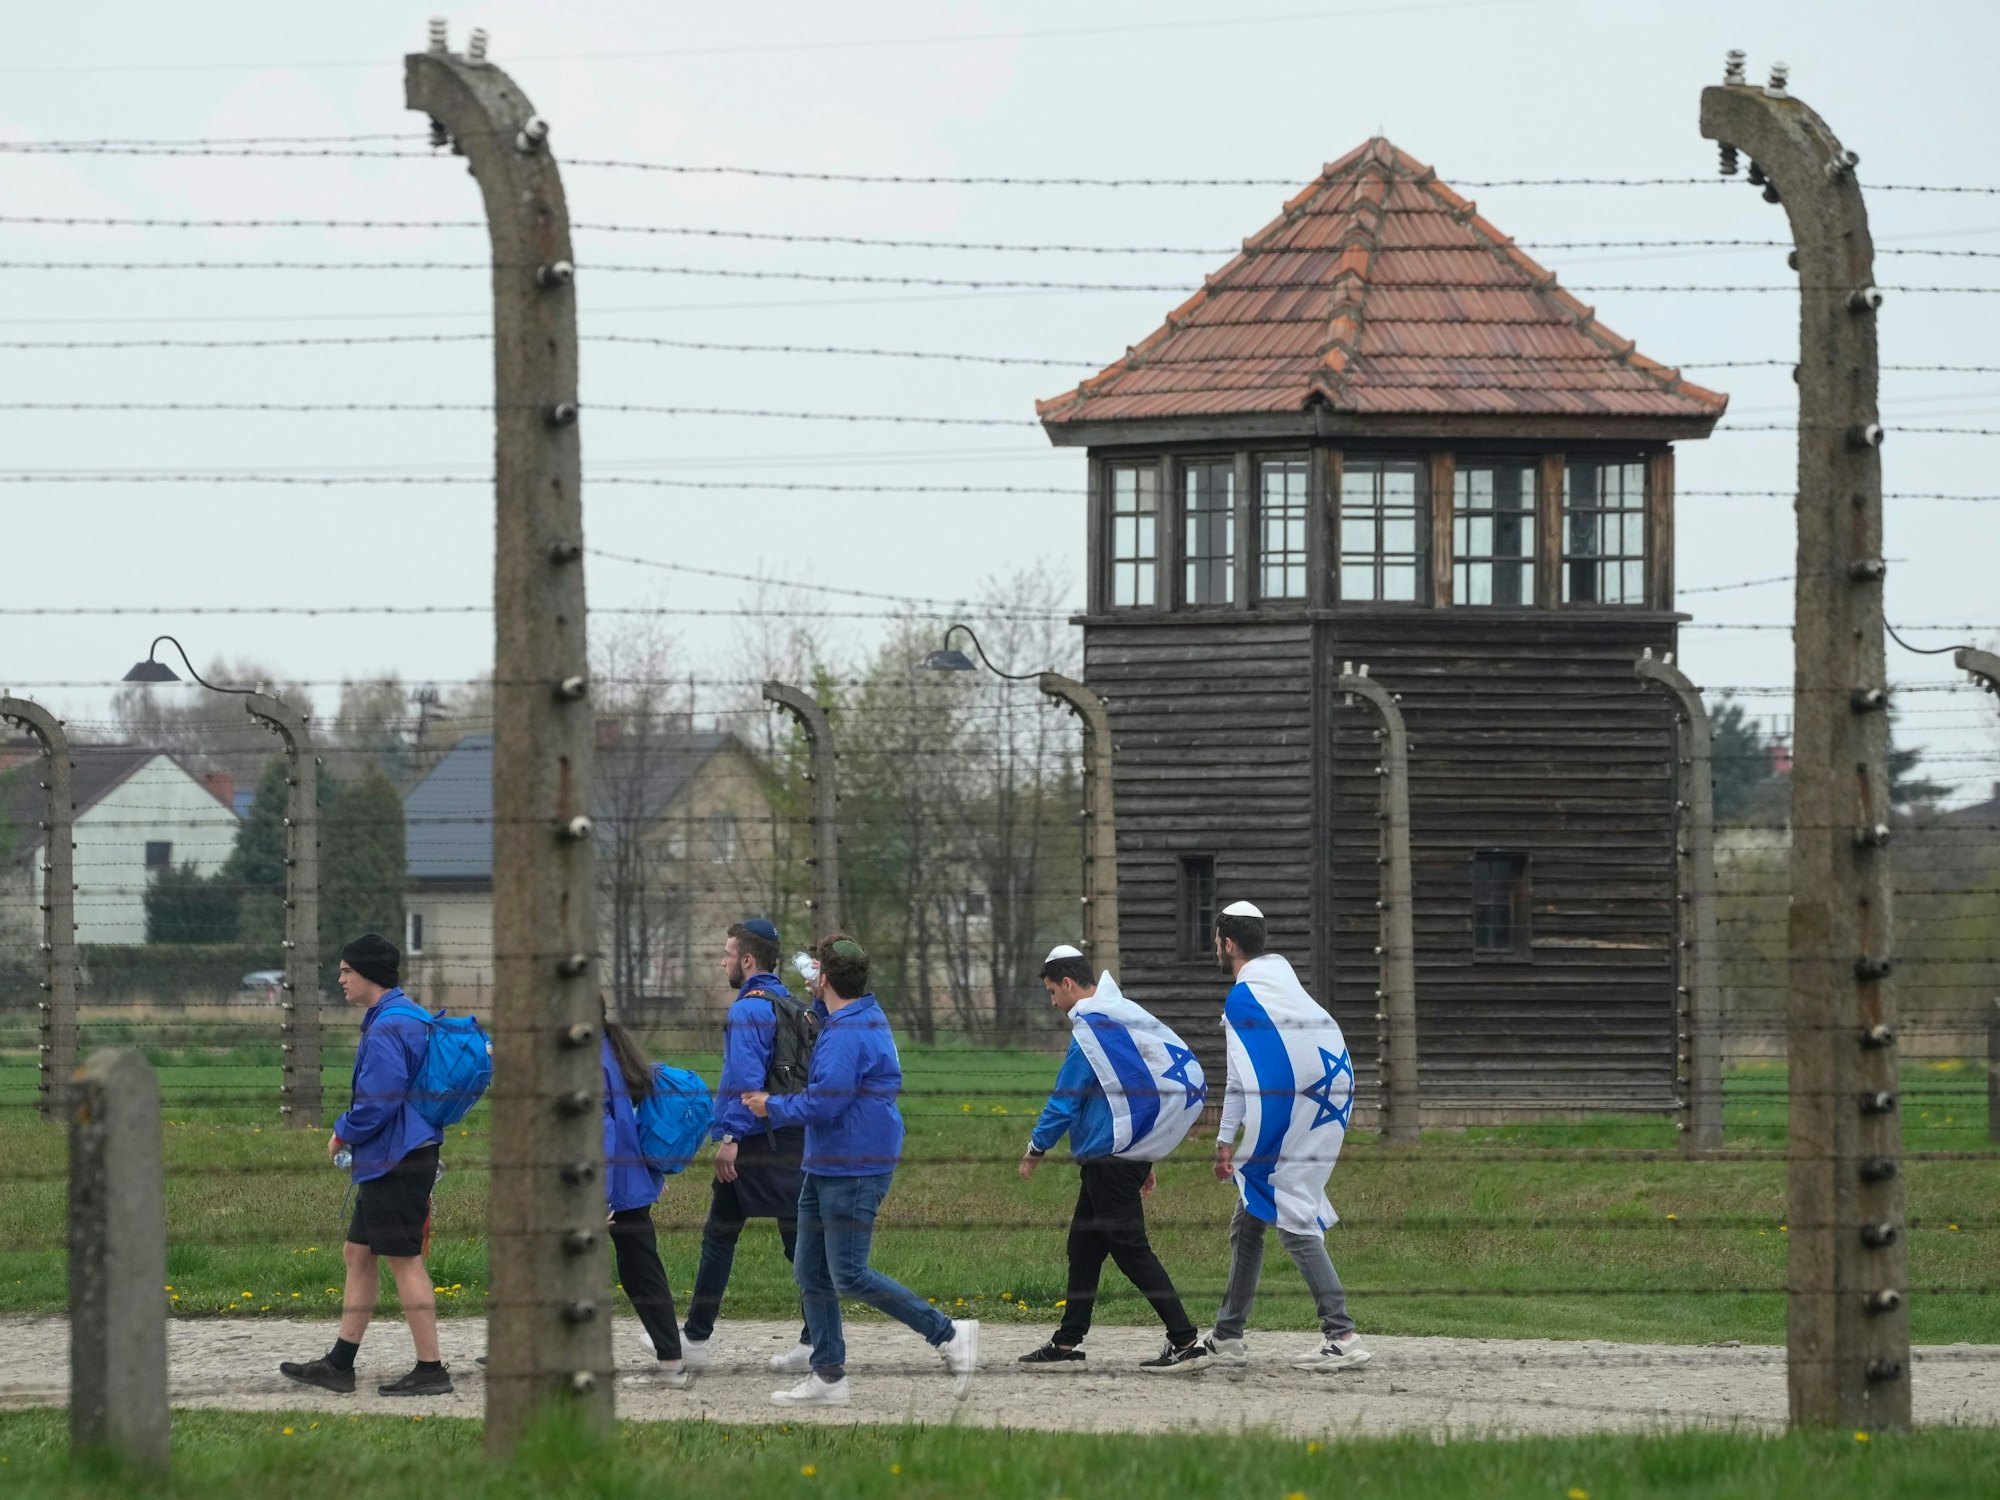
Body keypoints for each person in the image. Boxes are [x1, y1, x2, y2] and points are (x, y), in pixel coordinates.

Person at [743, 934, 978, 1408]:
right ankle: (828, 1377)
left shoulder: (848, 1031)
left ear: (825, 980)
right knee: (811, 1269)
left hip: (853, 1164)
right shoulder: (857, 1015)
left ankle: (949, 1333)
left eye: (815, 973)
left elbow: (827, 1101)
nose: (810, 978)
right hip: (828, 1161)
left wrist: (772, 1106)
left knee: (847, 1273)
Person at [1018, 944, 1209, 1374]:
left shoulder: (1090, 1030)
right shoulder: (1120, 1015)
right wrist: (1147, 1153)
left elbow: (1064, 1102)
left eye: (1052, 992)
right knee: (1083, 1247)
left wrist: (1036, 1148)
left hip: (1109, 1160)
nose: (1053, 1002)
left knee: (1130, 1249)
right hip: (1122, 1155)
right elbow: (1138, 1087)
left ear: (1068, 984)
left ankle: (1184, 1340)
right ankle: (1067, 1342)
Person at [1201, 900, 1371, 1373]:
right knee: (1251, 1217)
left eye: (1216, 942)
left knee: (1291, 1209)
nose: (1216, 949)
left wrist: (1227, 1141)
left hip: (1296, 1106)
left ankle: (1342, 1334)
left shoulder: (1246, 1000)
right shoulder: (1286, 987)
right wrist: (1231, 1140)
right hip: (1324, 1098)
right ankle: (1229, 1334)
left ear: (1229, 944)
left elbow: (1242, 1078)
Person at [280, 933, 451, 1396]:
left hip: (397, 1157)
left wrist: (342, 1132)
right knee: (358, 1253)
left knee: (405, 1261)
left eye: (346, 971)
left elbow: (379, 1102)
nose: (340, 980)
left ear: (368, 974)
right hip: (395, 1157)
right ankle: (340, 1364)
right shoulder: (409, 1016)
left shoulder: (389, 1027)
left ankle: (432, 1370)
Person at [681, 918, 814, 1372]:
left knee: (720, 1239)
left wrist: (731, 1137)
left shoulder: (747, 1010)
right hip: (793, 1136)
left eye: (728, 953)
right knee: (795, 1241)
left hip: (754, 1140)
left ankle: (696, 1339)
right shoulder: (794, 1006)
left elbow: (743, 1080)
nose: (723, 961)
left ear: (748, 960)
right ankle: (814, 1339)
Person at [602, 1015, 693, 1389]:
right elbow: (633, 1117)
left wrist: (599, 1195)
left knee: (641, 1271)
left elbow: (605, 1129)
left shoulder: (588, 1059)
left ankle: (672, 1363)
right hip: (629, 1178)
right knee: (638, 1269)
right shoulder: (612, 1049)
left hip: (614, 1185)